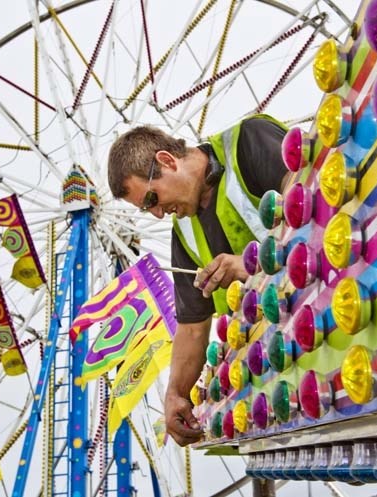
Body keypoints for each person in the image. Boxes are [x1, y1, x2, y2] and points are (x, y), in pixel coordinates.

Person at [107, 115, 289, 446]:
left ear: (166, 161)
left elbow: (321, 204)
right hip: (280, 372)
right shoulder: (185, 234)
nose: (158, 214)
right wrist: (176, 394)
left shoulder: (248, 143)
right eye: (148, 211)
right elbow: (192, 326)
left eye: (151, 199)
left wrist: (254, 264)